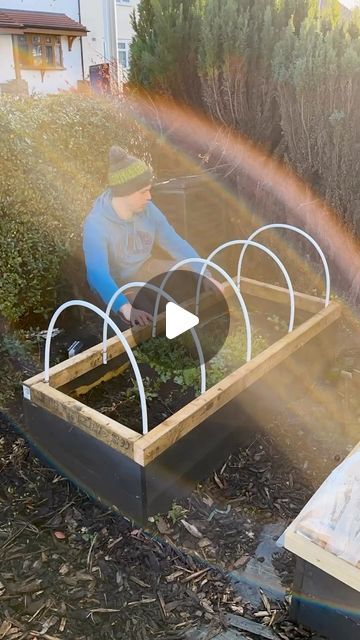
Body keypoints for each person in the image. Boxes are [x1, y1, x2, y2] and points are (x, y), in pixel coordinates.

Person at [83, 146, 221, 328]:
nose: (149, 197)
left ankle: (200, 328)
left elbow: (176, 244)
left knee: (188, 278)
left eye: (149, 190)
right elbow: (97, 274)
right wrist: (125, 308)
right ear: (124, 193)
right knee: (147, 316)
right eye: (142, 192)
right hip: (119, 282)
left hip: (144, 267)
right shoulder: (96, 224)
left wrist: (204, 274)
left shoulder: (148, 211)